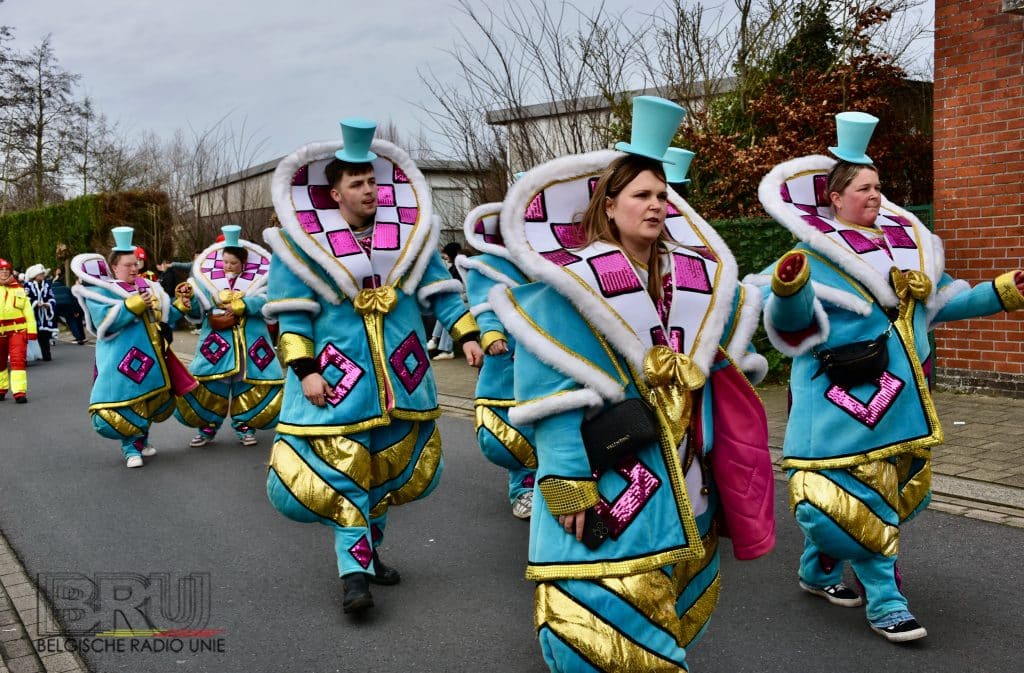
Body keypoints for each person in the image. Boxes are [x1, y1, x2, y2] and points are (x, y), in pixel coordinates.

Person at [491, 96, 773, 672]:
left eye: (663, 196)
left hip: (688, 469)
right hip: (613, 473)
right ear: (609, 205)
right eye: (642, 195)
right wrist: (566, 478)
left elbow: (729, 352)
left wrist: (785, 293)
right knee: (609, 614)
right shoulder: (569, 284)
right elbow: (552, 393)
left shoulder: (693, 279)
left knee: (676, 601)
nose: (656, 205)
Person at [752, 111, 1024, 643]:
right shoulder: (809, 256)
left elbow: (945, 302)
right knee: (860, 500)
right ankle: (886, 601)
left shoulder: (906, 250)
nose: (876, 195)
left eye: (878, 186)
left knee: (889, 493)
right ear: (835, 198)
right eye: (864, 188)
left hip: (901, 403)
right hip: (837, 404)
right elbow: (790, 324)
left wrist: (1006, 288)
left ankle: (818, 569)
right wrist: (789, 289)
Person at [262, 118, 484, 615]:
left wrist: (469, 334)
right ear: (334, 193)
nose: (369, 190)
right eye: (357, 183)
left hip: (403, 379)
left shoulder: (409, 238)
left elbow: (442, 294)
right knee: (345, 477)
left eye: (372, 181)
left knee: (382, 475)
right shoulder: (300, 244)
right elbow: (293, 316)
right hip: (336, 382)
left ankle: (369, 550)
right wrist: (306, 370)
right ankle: (354, 573)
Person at [71, 226, 197, 468]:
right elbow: (102, 325)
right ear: (114, 267)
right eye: (127, 265)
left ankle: (142, 441)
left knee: (148, 400)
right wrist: (133, 305)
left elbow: (163, 317)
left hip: (152, 357)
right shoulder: (102, 291)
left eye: (135, 264)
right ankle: (130, 448)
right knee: (127, 402)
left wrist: (180, 305)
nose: (133, 268)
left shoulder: (149, 285)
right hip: (121, 359)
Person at [455, 204, 537, 519]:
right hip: (509, 358)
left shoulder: (552, 259)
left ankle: (555, 483)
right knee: (514, 425)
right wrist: (490, 334)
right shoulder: (488, 266)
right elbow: (485, 305)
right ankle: (523, 487)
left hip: (552, 355)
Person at [173, 224, 283, 447]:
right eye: (225, 262)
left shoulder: (261, 280)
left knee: (247, 384)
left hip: (251, 346)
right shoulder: (206, 282)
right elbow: (197, 312)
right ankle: (207, 427)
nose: (228, 267)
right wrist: (189, 301)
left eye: (233, 263)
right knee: (211, 385)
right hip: (216, 346)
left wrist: (245, 305)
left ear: (244, 263)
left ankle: (245, 426)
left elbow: (270, 301)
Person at [0, 258, 37, 402]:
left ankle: (19, 392)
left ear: (10, 272)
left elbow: (28, 311)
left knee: (18, 361)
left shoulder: (19, 289)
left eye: (6, 270)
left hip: (18, 330)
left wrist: (32, 331)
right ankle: (1, 388)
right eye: (1, 270)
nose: (4, 272)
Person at [23, 264, 56, 361]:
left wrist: (48, 304)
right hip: (32, 314)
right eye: (40, 274)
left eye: (43, 274)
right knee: (32, 335)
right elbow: (25, 298)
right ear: (35, 275)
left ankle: (46, 354)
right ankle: (32, 355)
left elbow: (51, 297)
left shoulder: (46, 285)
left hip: (44, 314)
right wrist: (35, 303)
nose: (42, 275)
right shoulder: (27, 285)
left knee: (44, 334)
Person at [51, 268, 87, 344]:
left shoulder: (51, 289)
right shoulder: (67, 289)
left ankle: (52, 337)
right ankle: (79, 337)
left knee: (53, 321)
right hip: (67, 305)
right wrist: (75, 310)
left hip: (55, 305)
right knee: (71, 320)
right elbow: (73, 300)